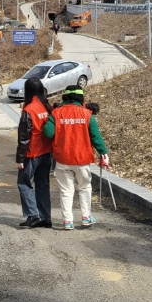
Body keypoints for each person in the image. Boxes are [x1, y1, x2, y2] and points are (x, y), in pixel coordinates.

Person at [43, 85, 108, 230]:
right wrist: (103, 152)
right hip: (82, 159)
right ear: (81, 98)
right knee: (84, 187)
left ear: (65, 97)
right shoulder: (87, 114)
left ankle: (68, 221)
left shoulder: (57, 113)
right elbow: (95, 136)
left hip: (62, 159)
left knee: (66, 191)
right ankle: (86, 218)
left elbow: (48, 133)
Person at [16, 78, 53, 228]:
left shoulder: (29, 109)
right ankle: (45, 217)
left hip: (32, 152)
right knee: (42, 184)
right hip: (46, 152)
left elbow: (24, 137)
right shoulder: (46, 107)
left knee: (23, 182)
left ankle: (33, 214)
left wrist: (20, 158)